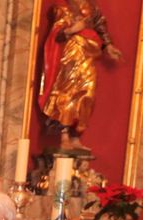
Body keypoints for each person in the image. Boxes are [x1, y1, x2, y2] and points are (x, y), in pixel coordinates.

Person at [39, 0, 121, 148]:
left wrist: (108, 46)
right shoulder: (62, 6)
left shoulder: (92, 7)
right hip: (71, 54)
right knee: (68, 93)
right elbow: (57, 33)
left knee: (88, 93)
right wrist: (71, 30)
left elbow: (100, 26)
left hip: (88, 55)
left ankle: (77, 134)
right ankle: (64, 135)